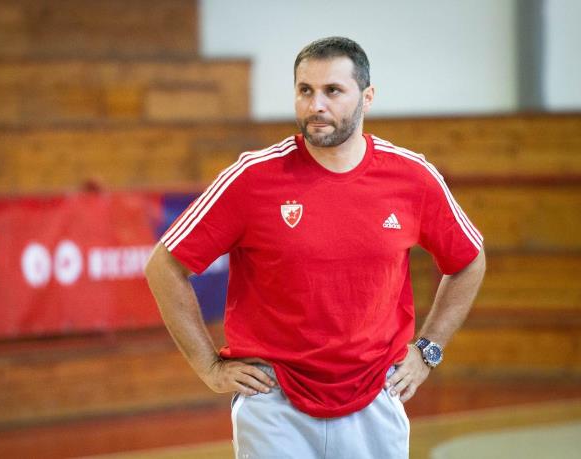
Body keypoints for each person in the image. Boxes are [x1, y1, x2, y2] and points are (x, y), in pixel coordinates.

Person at [144, 36, 486, 458]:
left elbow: (468, 261)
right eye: (305, 90)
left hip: (377, 395)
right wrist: (208, 366)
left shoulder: (412, 177)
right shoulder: (251, 177)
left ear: (367, 97)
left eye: (333, 91)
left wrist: (428, 349)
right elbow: (164, 267)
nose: (316, 105)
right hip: (272, 403)